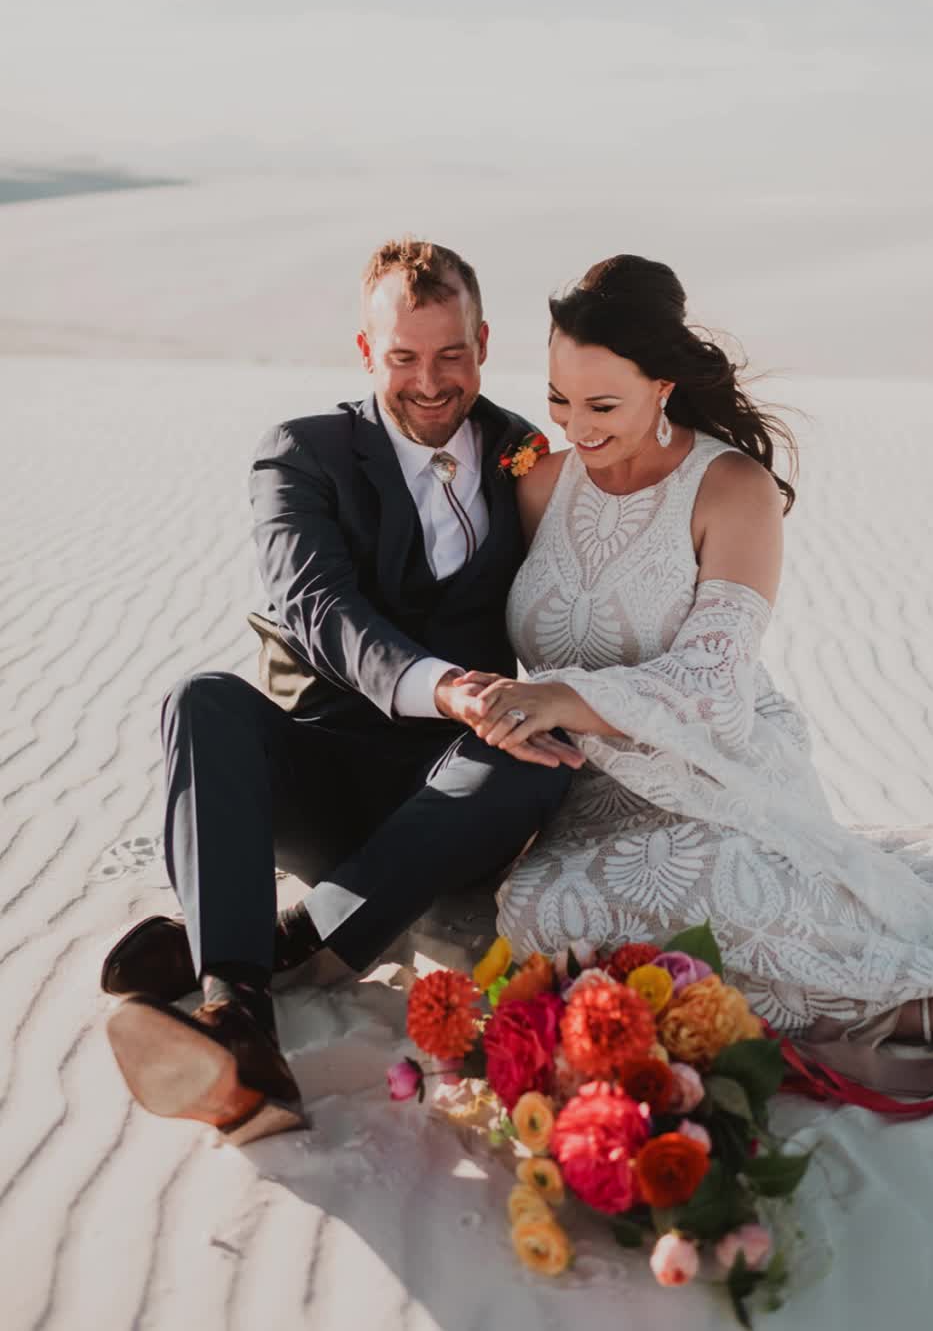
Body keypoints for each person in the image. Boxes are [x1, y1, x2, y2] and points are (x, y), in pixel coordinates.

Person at [468, 253, 933, 1096]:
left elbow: (714, 683)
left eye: (603, 405)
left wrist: (569, 696)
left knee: (730, 889)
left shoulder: (731, 489)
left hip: (724, 773)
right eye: (560, 401)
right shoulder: (538, 481)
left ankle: (901, 1007)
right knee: (534, 913)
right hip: (586, 788)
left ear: (664, 387)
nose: (578, 427)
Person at [100, 238, 580, 1145]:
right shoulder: (302, 454)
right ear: (368, 355)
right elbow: (317, 607)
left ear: (484, 343)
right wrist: (443, 689)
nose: (431, 382)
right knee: (200, 698)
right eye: (405, 357)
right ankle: (237, 1018)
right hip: (330, 775)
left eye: (451, 354)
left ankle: (280, 938)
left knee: (540, 753)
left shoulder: (524, 451)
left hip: (461, 797)